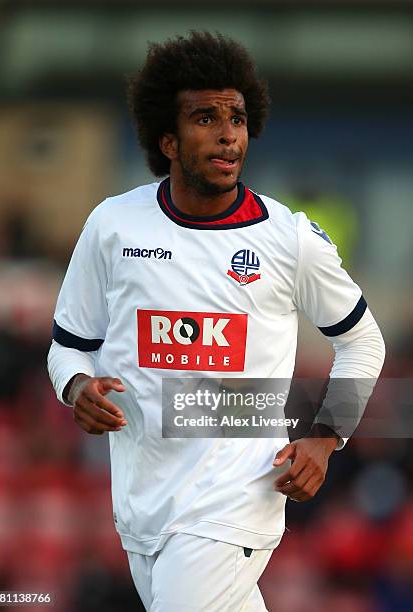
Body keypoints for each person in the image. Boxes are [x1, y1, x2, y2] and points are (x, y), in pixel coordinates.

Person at [48, 32, 385, 612]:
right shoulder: (112, 225)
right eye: (205, 117)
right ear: (168, 140)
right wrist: (76, 387)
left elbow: (362, 341)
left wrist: (327, 439)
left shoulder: (289, 239)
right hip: (141, 499)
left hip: (236, 493)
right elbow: (68, 347)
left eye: (237, 116)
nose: (229, 132)